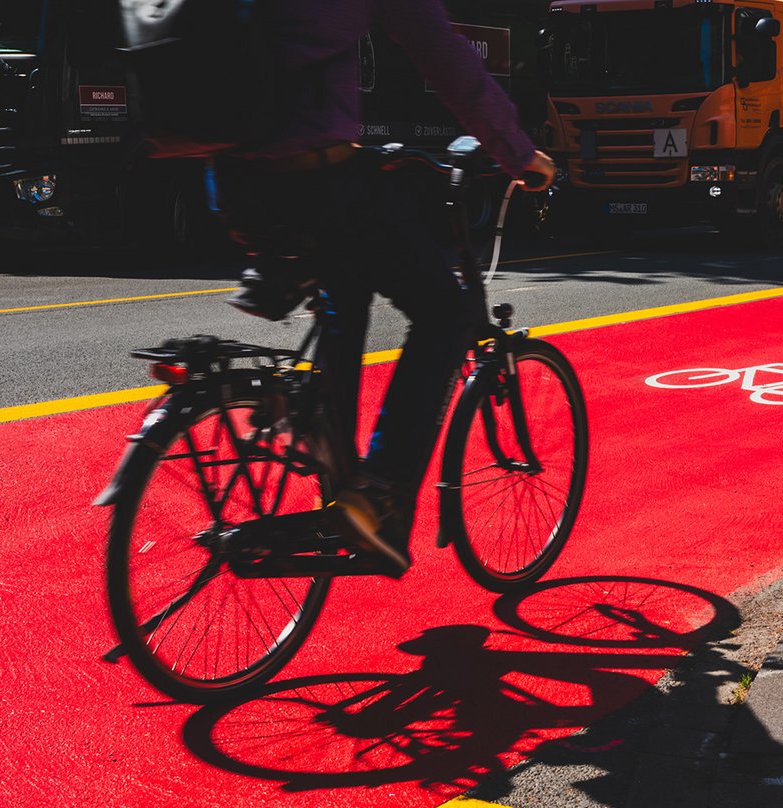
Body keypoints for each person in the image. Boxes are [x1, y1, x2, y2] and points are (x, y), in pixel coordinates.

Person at [213, 1, 555, 575]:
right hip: (316, 175)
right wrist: (518, 154)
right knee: (446, 314)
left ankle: (332, 458)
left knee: (342, 290)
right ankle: (379, 496)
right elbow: (445, 57)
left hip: (232, 183)